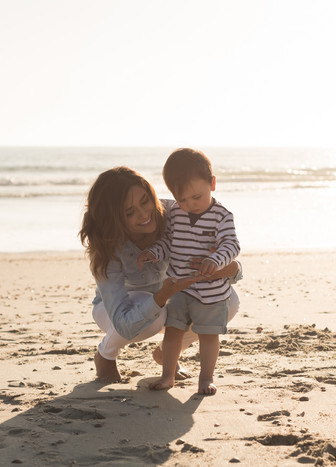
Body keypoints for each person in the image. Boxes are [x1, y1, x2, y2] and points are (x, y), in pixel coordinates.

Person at [78, 166, 242, 384]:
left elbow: (230, 260)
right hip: (118, 310)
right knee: (155, 314)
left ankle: (166, 353)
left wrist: (226, 269)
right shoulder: (107, 246)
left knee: (229, 301)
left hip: (174, 298)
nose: (145, 214)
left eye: (145, 200)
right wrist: (161, 296)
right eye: (129, 212)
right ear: (114, 218)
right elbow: (123, 323)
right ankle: (106, 355)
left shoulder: (178, 212)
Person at [138, 148, 240, 395]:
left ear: (212, 184)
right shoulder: (175, 213)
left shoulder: (222, 216)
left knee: (208, 336)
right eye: (182, 200)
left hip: (212, 291)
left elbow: (232, 245)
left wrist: (216, 260)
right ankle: (167, 376)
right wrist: (154, 252)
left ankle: (206, 378)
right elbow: (168, 241)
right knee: (174, 331)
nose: (189, 205)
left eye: (196, 197)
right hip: (180, 287)